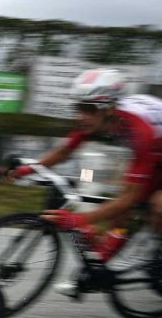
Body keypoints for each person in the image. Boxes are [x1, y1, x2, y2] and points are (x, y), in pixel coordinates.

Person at [10, 69, 162, 280]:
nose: (80, 116)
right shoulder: (98, 119)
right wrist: (29, 169)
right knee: (123, 208)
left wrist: (78, 219)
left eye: (87, 109)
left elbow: (129, 197)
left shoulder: (141, 131)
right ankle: (102, 262)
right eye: (78, 107)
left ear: (108, 109)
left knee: (155, 204)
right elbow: (65, 151)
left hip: (154, 143)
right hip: (155, 153)